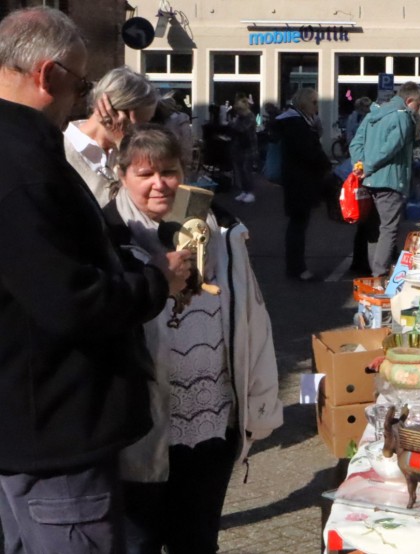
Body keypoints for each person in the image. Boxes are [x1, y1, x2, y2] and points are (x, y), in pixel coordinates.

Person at [0, 8, 191, 553]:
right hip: (54, 431)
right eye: (81, 83)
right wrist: (156, 281)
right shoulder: (24, 164)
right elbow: (70, 300)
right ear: (48, 75)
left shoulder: (25, 153)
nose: (83, 99)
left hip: (30, 419)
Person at [102, 124, 283, 554]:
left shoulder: (221, 231)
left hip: (211, 419)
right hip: (140, 429)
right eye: (145, 174)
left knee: (197, 542)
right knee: (138, 543)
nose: (159, 184)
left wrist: (256, 401)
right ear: (122, 174)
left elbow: (251, 319)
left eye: (169, 171)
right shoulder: (107, 237)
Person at [349, 81, 420, 277]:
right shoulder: (403, 118)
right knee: (388, 229)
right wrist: (368, 165)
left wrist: (360, 165)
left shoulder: (372, 115)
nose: (419, 108)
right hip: (391, 180)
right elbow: (391, 148)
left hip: (369, 181)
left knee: (374, 229)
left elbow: (355, 143)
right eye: (419, 104)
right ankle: (380, 274)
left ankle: (375, 274)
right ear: (409, 100)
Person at [64, 66, 158, 207]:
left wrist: (123, 145)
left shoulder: (123, 153)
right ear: (114, 113)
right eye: (142, 123)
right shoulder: (62, 149)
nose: (143, 131)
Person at [276, 87, 330, 281]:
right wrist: (325, 163)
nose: (316, 107)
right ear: (303, 103)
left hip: (297, 180)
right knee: (298, 225)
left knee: (298, 224)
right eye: (314, 103)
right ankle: (297, 268)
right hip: (299, 181)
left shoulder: (294, 122)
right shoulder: (296, 124)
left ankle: (296, 266)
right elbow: (308, 152)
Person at [229, 96, 258, 203]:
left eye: (240, 109)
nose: (238, 112)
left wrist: (232, 123)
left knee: (247, 170)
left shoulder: (250, 117)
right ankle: (244, 190)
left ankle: (250, 192)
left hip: (249, 148)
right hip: (239, 147)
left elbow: (241, 129)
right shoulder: (240, 118)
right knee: (240, 171)